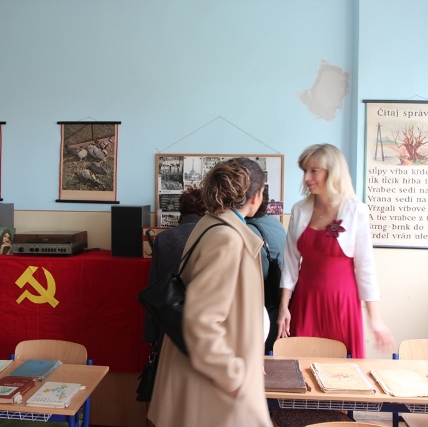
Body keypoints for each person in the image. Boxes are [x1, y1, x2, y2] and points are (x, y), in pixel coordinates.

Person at [148, 157, 272, 427]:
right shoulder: (228, 239)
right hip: (212, 386)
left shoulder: (212, 224)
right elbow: (201, 320)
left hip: (202, 376)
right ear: (256, 196)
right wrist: (232, 376)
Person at [277, 144, 393, 358]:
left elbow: (366, 268)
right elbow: (290, 263)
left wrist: (375, 320)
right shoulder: (299, 210)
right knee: (301, 363)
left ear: (333, 173)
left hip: (342, 303)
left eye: (314, 171)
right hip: (305, 300)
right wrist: (284, 306)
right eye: (305, 171)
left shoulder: (356, 211)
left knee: (342, 368)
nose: (306, 178)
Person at [142, 188, 206, 347]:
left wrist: (151, 334)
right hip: (203, 323)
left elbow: (154, 286)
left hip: (169, 324)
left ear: (181, 209)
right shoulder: (215, 237)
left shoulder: (163, 238)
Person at [246, 186, 286, 354]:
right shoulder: (276, 223)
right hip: (280, 302)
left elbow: (256, 275)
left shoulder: (249, 231)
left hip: (264, 310)